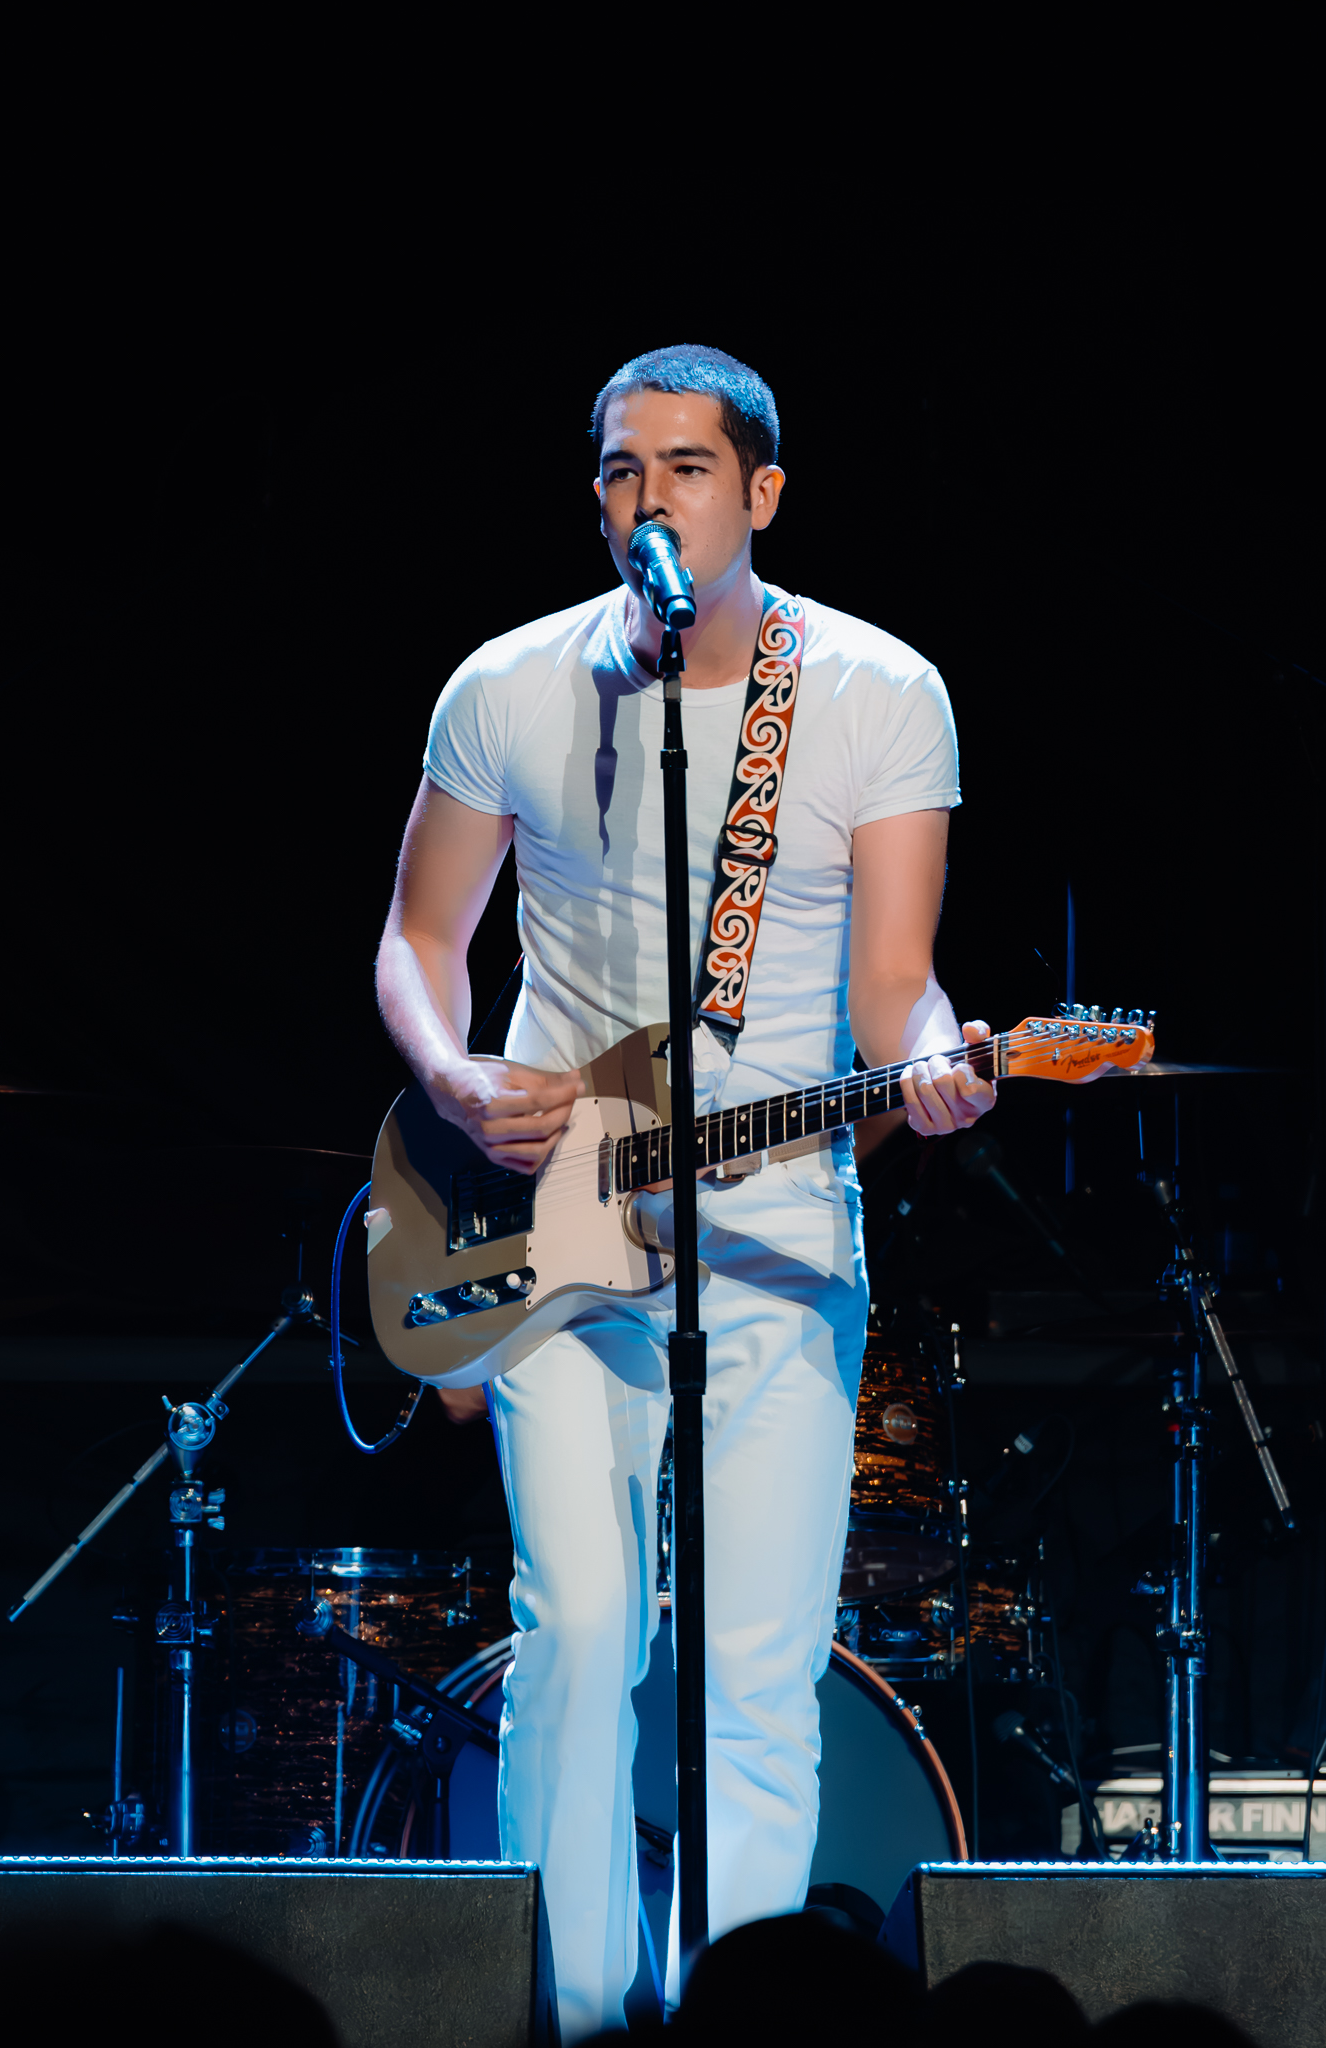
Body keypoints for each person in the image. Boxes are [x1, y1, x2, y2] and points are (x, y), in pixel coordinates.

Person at [374, 344, 995, 2040]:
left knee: (754, 1669)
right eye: (620, 468)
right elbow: (422, 937)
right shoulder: (511, 685)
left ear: (763, 492)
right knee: (580, 1632)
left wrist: (935, 1059)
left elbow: (895, 995)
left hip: (778, 1235)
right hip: (559, 1221)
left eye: (688, 467)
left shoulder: (875, 689)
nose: (649, 497)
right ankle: (580, 2021)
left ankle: (735, 2024)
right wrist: (454, 1078)